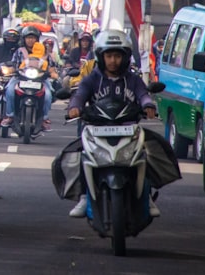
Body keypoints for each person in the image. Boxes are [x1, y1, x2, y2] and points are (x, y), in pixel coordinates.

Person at [65, 30, 163, 218]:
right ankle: (84, 197)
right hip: (96, 130)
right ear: (101, 57)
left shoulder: (133, 79)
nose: (113, 61)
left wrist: (148, 105)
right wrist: (74, 107)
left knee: (148, 153)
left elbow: (143, 95)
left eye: (117, 56)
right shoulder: (92, 78)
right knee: (80, 155)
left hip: (128, 129)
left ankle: (146, 196)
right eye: (109, 56)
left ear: (125, 57)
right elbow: (79, 95)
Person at [2, 26, 56, 131]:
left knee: (48, 94)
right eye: (28, 38)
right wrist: (10, 70)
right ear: (24, 39)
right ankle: (10, 116)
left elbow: (52, 68)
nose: (30, 40)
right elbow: (14, 65)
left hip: (41, 79)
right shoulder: (19, 51)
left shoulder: (45, 53)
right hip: (20, 78)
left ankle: (44, 119)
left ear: (37, 39)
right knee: (9, 90)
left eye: (33, 38)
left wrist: (52, 73)